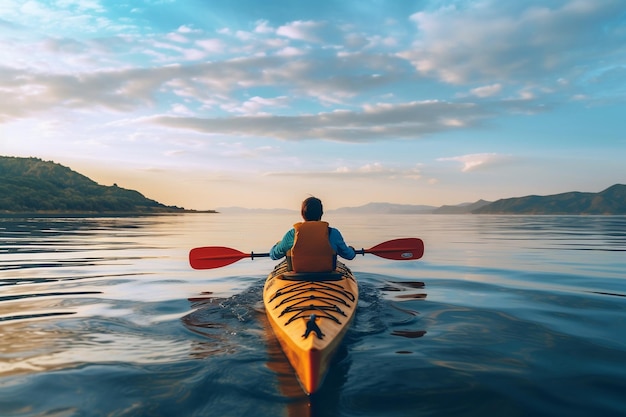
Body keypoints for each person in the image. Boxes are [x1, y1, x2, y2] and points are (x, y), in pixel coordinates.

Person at [270, 197, 356, 272]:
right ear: (321, 213)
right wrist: (352, 249)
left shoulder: (292, 234)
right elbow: (349, 255)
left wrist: (277, 245)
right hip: (328, 275)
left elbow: (274, 255)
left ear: (302, 214)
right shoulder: (333, 233)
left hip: (297, 276)